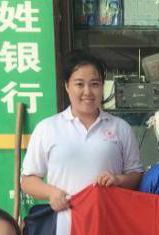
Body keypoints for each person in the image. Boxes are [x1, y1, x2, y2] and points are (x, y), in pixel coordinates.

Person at [21, 51, 143, 211]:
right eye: (79, 84)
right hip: (65, 220)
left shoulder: (120, 128)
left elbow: (136, 175)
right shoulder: (47, 128)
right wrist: (51, 193)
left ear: (102, 87)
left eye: (95, 84)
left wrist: (118, 180)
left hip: (108, 219)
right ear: (67, 86)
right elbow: (28, 181)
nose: (88, 92)